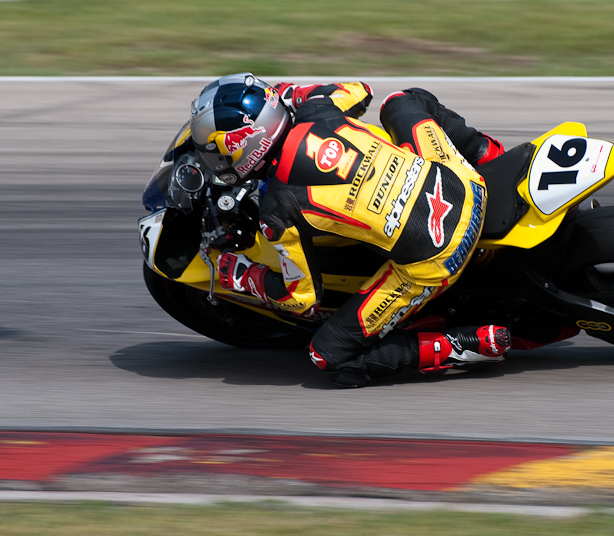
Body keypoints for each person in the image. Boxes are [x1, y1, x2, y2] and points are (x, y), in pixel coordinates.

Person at [189, 73, 511, 387]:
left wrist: (246, 277)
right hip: (465, 182)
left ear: (241, 147)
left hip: (440, 256)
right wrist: (296, 95)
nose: (212, 160)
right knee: (403, 100)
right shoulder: (317, 108)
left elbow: (300, 298)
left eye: (213, 152)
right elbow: (360, 89)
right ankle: (492, 157)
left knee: (326, 355)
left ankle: (458, 343)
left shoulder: (276, 212)